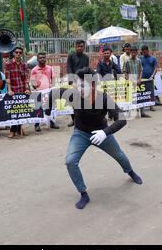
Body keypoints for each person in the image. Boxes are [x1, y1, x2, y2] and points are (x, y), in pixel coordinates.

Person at [47, 67, 143, 209]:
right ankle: (83, 193)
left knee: (120, 155)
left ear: (92, 85)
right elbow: (53, 93)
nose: (78, 88)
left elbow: (122, 119)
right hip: (80, 133)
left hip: (101, 133)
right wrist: (47, 111)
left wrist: (105, 132)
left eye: (82, 85)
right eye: (77, 85)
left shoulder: (103, 98)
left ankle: (130, 172)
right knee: (70, 162)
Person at [30, 52, 59, 132]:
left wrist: (52, 88)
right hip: (39, 92)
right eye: (40, 58)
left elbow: (53, 80)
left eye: (43, 57)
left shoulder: (50, 68)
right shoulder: (34, 70)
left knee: (50, 108)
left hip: (49, 92)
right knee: (38, 108)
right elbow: (33, 82)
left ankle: (51, 122)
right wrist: (36, 90)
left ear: (46, 58)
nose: (42, 59)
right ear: (37, 59)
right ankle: (37, 124)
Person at [6, 46, 30, 138]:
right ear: (13, 53)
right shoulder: (8, 64)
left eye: (20, 52)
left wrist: (27, 89)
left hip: (22, 90)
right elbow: (8, 78)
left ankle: (19, 129)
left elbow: (26, 78)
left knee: (21, 110)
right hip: (13, 90)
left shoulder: (24, 65)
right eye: (16, 52)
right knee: (13, 111)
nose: (18, 54)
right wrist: (9, 90)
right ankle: (12, 130)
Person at [66, 40, 89, 127]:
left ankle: (82, 119)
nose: (80, 48)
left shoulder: (86, 57)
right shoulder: (71, 56)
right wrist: (71, 80)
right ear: (75, 47)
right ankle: (74, 119)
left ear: (84, 47)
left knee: (83, 101)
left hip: (83, 81)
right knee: (72, 101)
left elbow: (86, 69)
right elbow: (69, 67)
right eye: (78, 46)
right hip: (74, 82)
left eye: (81, 46)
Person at [123, 46, 150, 117]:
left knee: (141, 96)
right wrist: (129, 80)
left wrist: (140, 79)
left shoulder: (139, 60)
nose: (133, 53)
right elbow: (125, 72)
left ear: (137, 52)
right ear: (130, 53)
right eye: (132, 52)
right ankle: (129, 113)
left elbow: (141, 70)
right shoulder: (127, 61)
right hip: (130, 81)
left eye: (135, 52)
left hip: (138, 81)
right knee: (130, 97)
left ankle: (142, 112)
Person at [140, 45, 159, 110]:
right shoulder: (140, 59)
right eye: (143, 52)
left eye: (145, 52)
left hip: (150, 78)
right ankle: (143, 105)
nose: (144, 53)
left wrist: (152, 76)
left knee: (151, 92)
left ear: (148, 51)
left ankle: (151, 106)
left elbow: (156, 68)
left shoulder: (153, 58)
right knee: (143, 92)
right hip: (142, 78)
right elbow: (139, 68)